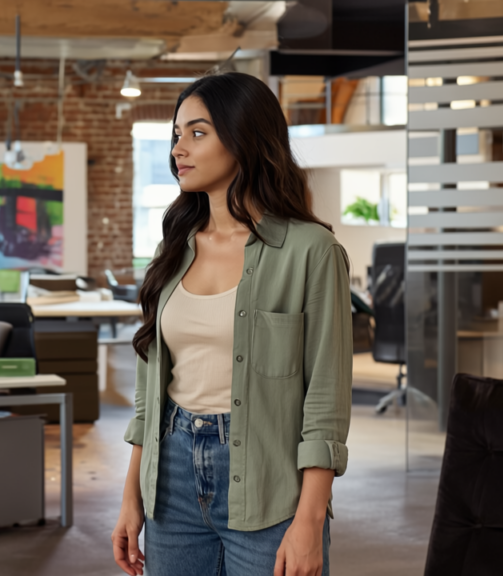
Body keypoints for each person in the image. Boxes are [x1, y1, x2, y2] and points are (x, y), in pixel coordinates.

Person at [111, 72, 352, 576]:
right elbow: (148, 389)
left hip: (269, 484)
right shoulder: (172, 248)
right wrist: (132, 496)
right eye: (177, 134)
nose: (180, 147)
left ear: (244, 137)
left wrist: (310, 519)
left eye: (198, 133)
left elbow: (325, 399)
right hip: (170, 481)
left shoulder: (311, 252)